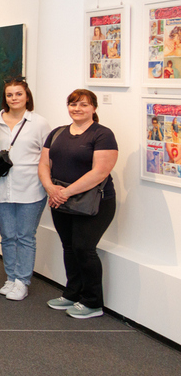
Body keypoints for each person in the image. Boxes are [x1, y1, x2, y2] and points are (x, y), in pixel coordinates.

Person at [38, 89, 118, 319]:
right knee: (69, 247)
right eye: (73, 104)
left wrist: (65, 192)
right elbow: (44, 164)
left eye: (83, 104)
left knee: (84, 248)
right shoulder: (57, 133)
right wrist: (51, 188)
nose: (77, 108)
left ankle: (93, 302)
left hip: (94, 201)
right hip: (60, 198)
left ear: (94, 108)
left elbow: (100, 171)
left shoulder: (103, 135)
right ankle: (72, 293)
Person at [0, 78, 51, 301]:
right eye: (9, 95)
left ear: (27, 96)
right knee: (7, 236)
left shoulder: (39, 123)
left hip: (31, 189)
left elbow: (47, 156)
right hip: (1, 188)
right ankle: (11, 277)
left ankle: (22, 281)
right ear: (5, 98)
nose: (14, 98)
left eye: (18, 94)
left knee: (25, 236)